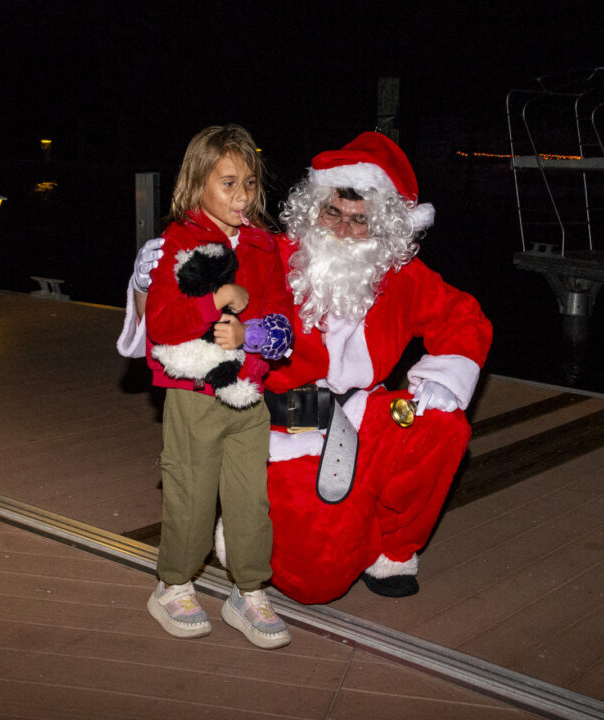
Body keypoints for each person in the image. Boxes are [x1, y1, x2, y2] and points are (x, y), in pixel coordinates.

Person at [121, 131, 492, 605]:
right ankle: (248, 528)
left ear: (385, 227)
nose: (343, 229)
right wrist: (143, 287)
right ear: (312, 208)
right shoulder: (268, 254)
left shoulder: (401, 273)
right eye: (332, 212)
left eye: (361, 220)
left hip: (363, 412)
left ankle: (392, 550)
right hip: (289, 424)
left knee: (440, 425)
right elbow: (182, 310)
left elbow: (463, 316)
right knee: (316, 580)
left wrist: (442, 378)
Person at [142, 124, 294, 648]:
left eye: (248, 183)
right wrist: (216, 302)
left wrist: (248, 332)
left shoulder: (264, 245)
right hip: (194, 398)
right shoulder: (177, 243)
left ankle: (247, 590)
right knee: (192, 493)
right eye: (227, 183)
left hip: (249, 394)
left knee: (251, 499)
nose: (241, 195)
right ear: (196, 183)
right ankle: (174, 584)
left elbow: (282, 325)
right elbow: (161, 322)